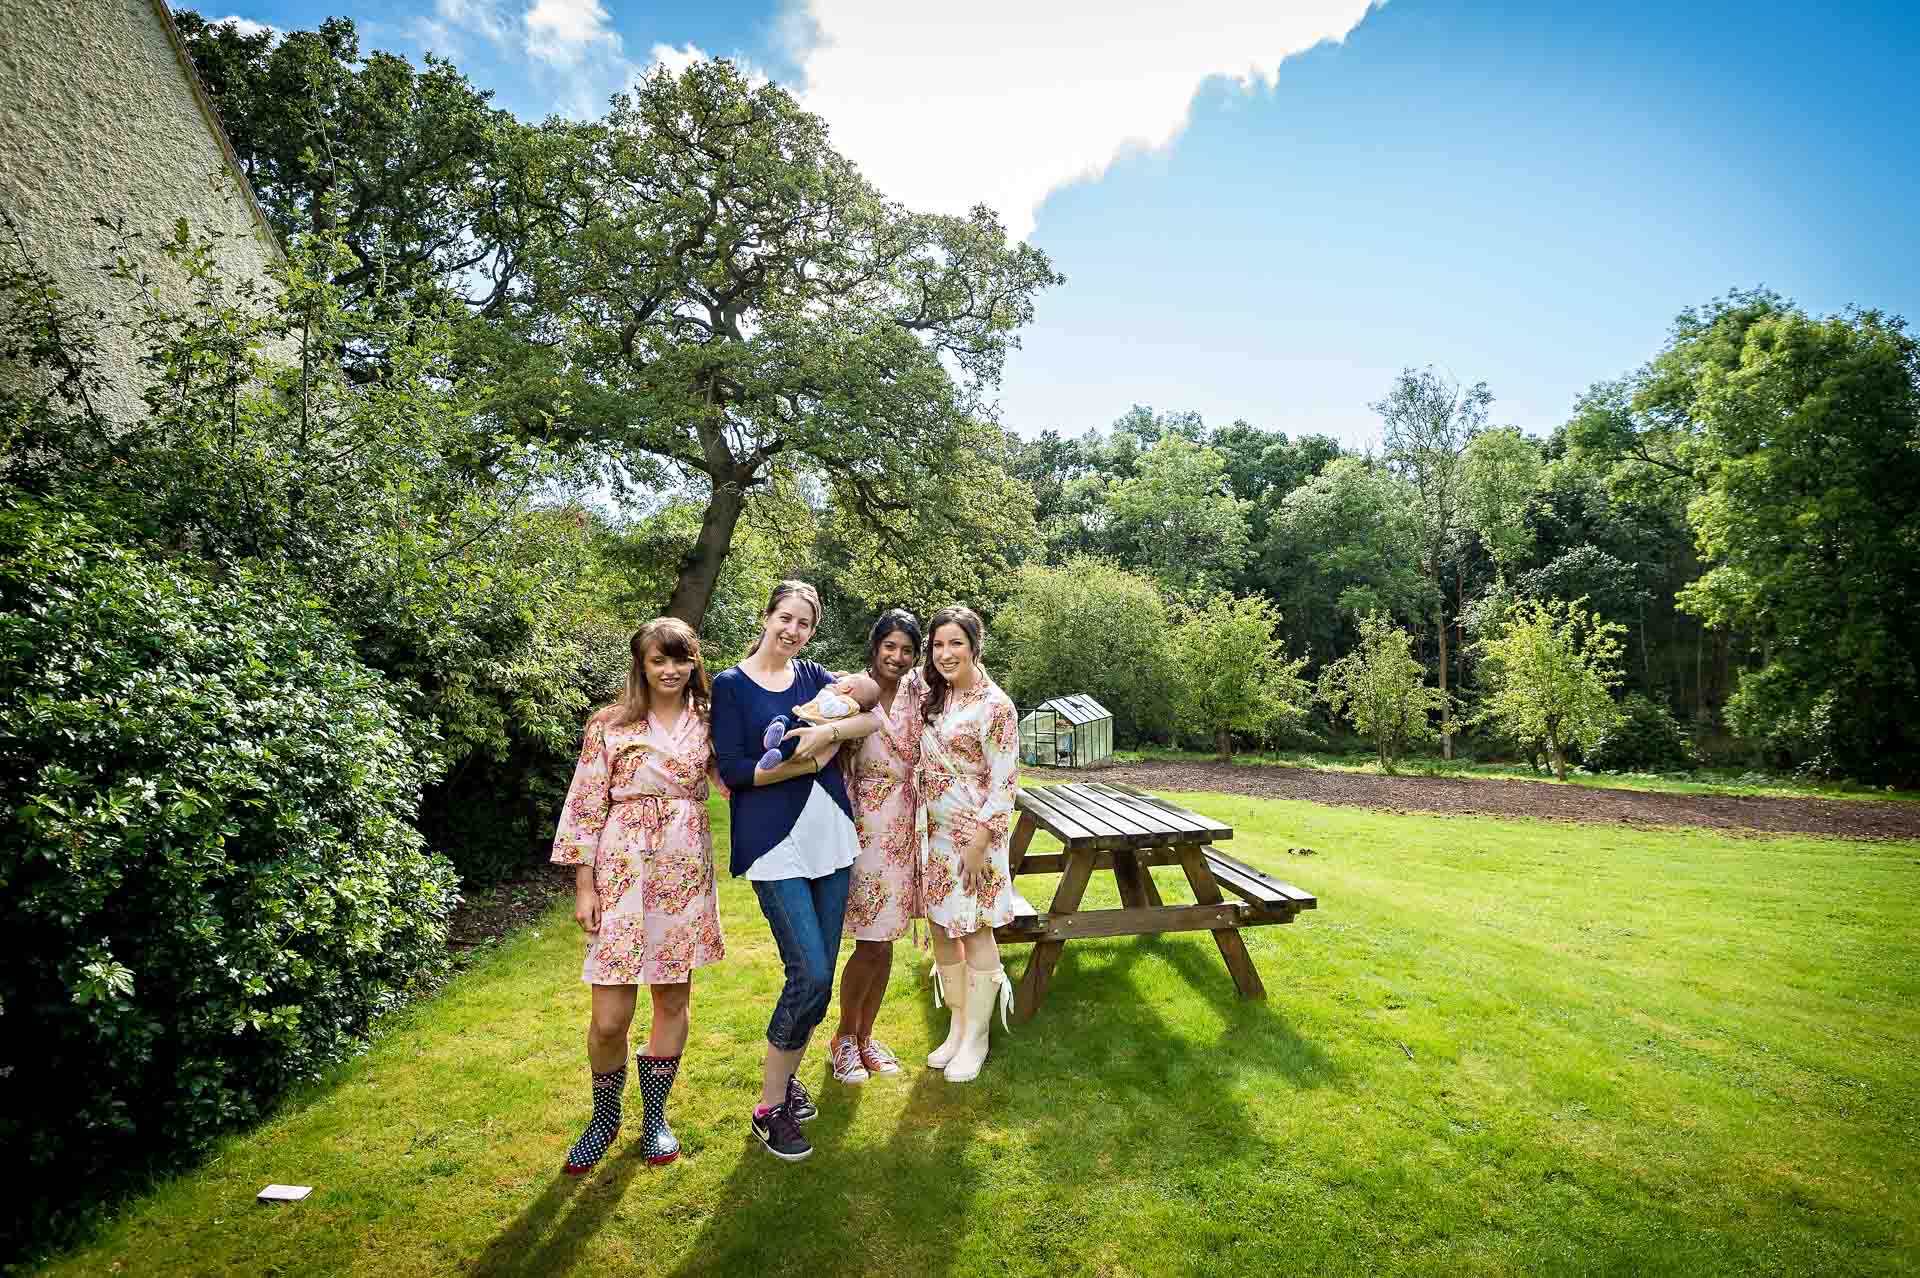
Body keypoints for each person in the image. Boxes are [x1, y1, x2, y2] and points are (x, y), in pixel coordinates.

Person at [710, 581, 883, 1161]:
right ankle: (768, 1107)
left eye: (804, 623)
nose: (792, 630)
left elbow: (872, 716)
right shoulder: (731, 686)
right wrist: (804, 764)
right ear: (767, 617)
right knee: (807, 974)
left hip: (829, 840)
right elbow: (734, 772)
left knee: (820, 975)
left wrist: (828, 733)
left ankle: (786, 1081)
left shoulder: (813, 677)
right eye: (785, 618)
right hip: (774, 847)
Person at [550, 617, 723, 1175]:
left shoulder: (710, 725)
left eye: (680, 660)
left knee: (671, 1001)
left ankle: (654, 1116)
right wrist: (584, 885)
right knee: (608, 1018)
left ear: (693, 663)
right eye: (659, 660)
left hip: (683, 872)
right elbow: (583, 804)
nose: (670, 670)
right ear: (642, 665)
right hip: (621, 873)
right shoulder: (609, 725)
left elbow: (742, 780)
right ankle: (603, 1118)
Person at [916, 605, 1024, 1083]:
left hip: (976, 839)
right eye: (938, 645)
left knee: (977, 931)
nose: (945, 653)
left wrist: (979, 845)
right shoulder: (935, 698)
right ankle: (957, 1027)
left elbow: (1005, 785)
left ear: (975, 646)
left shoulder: (996, 706)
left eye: (955, 643)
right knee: (943, 930)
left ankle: (977, 1037)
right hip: (934, 837)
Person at [827, 610, 927, 1083]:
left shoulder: (920, 694)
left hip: (906, 826)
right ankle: (843, 1039)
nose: (897, 657)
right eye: (890, 646)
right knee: (868, 941)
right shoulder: (850, 691)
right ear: (875, 647)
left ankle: (867, 1037)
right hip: (862, 824)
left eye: (907, 649)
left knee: (885, 941)